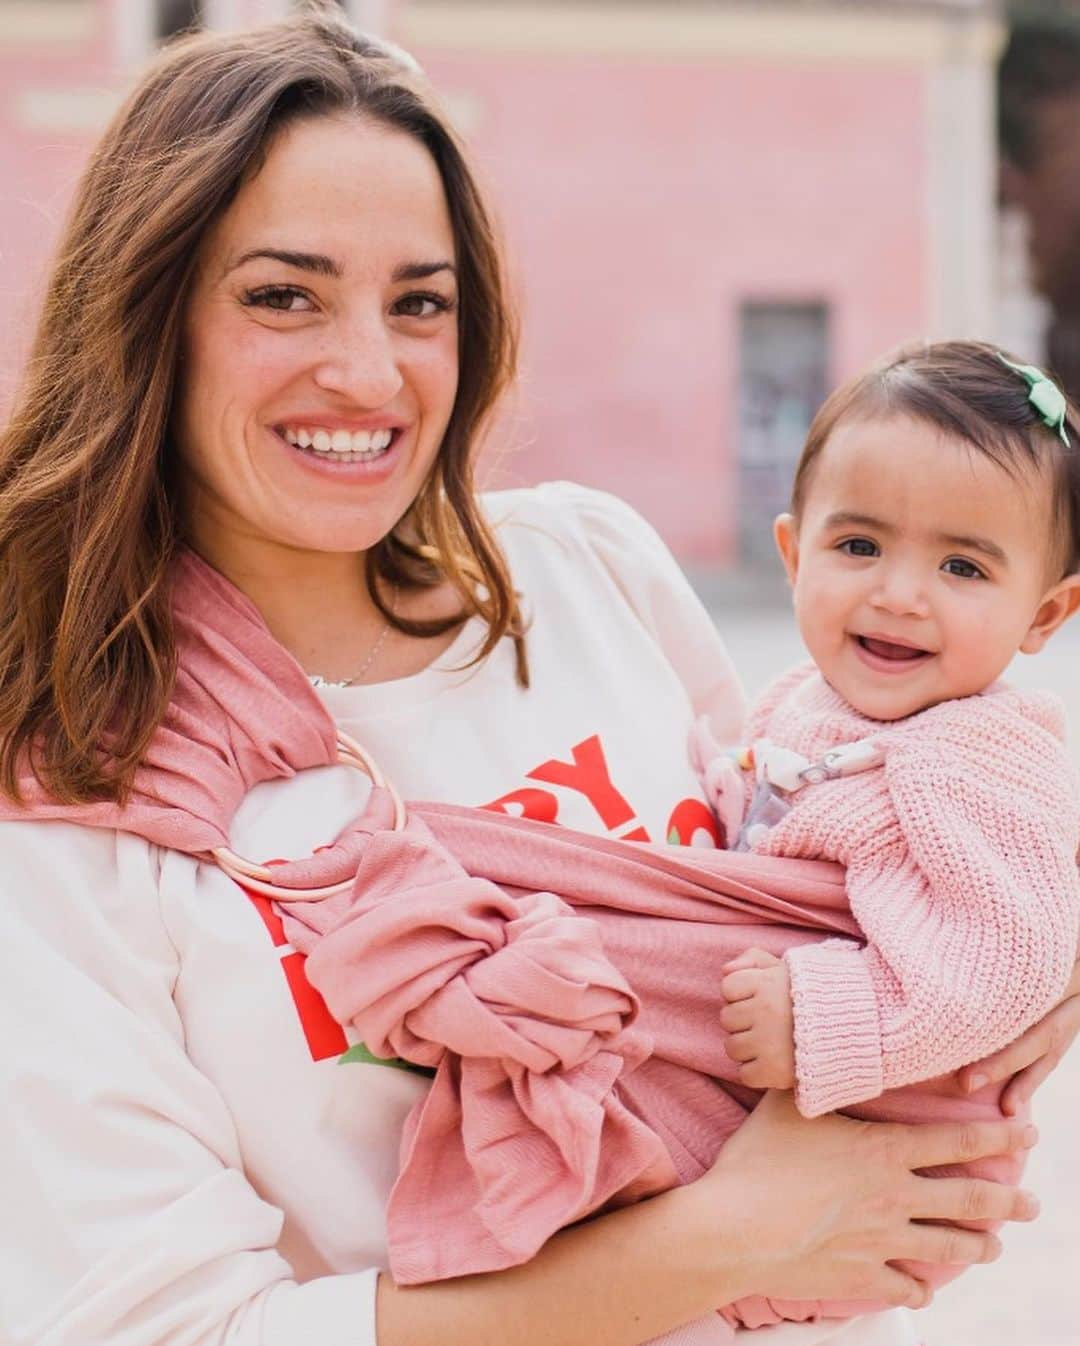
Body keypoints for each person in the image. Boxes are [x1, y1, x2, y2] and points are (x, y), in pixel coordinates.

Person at [0, 8, 1074, 1346]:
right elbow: (168, 1329)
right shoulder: (76, 796)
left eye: (420, 302)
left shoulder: (588, 571)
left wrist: (1040, 952)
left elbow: (843, 863)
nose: (367, 368)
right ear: (150, 312)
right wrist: (734, 1233)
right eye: (283, 293)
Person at [694, 341, 1080, 1117]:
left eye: (962, 567)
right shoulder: (798, 695)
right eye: (859, 547)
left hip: (883, 1118)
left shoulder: (978, 762)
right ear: (795, 556)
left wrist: (826, 1020)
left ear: (1043, 615)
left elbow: (1005, 957)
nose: (899, 594)